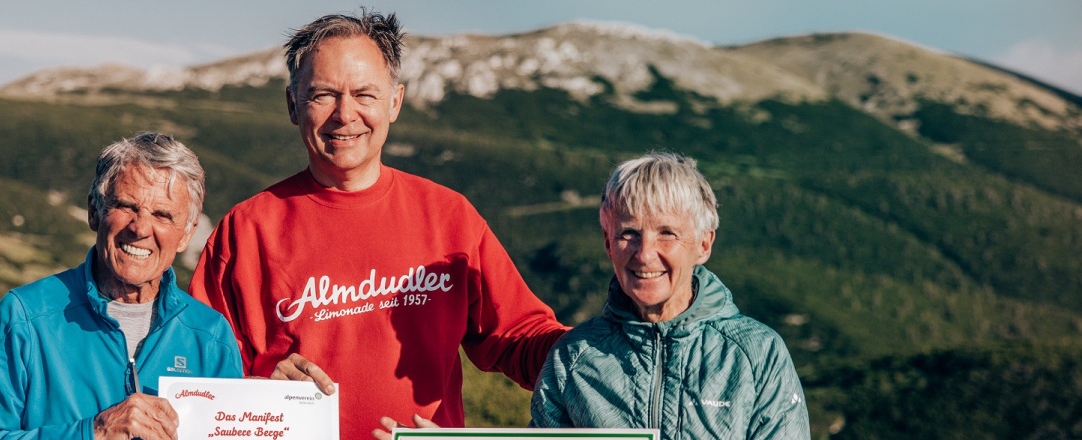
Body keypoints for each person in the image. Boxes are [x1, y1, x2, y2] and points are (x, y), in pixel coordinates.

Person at [187, 10, 569, 440]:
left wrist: (598, 352)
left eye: (364, 95)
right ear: (293, 105)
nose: (344, 114)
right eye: (323, 95)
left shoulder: (449, 216)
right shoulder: (246, 230)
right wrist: (257, 390)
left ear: (395, 102)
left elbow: (519, 337)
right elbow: (198, 374)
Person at [0, 132, 244, 439]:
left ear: (186, 234)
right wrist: (93, 432)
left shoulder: (210, 335)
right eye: (127, 206)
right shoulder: (26, 316)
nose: (140, 228)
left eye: (162, 215)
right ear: (94, 211)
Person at [529, 151, 810, 438]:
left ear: (703, 244)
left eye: (667, 233)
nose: (645, 253)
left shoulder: (758, 354)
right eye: (629, 233)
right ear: (607, 242)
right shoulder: (573, 356)